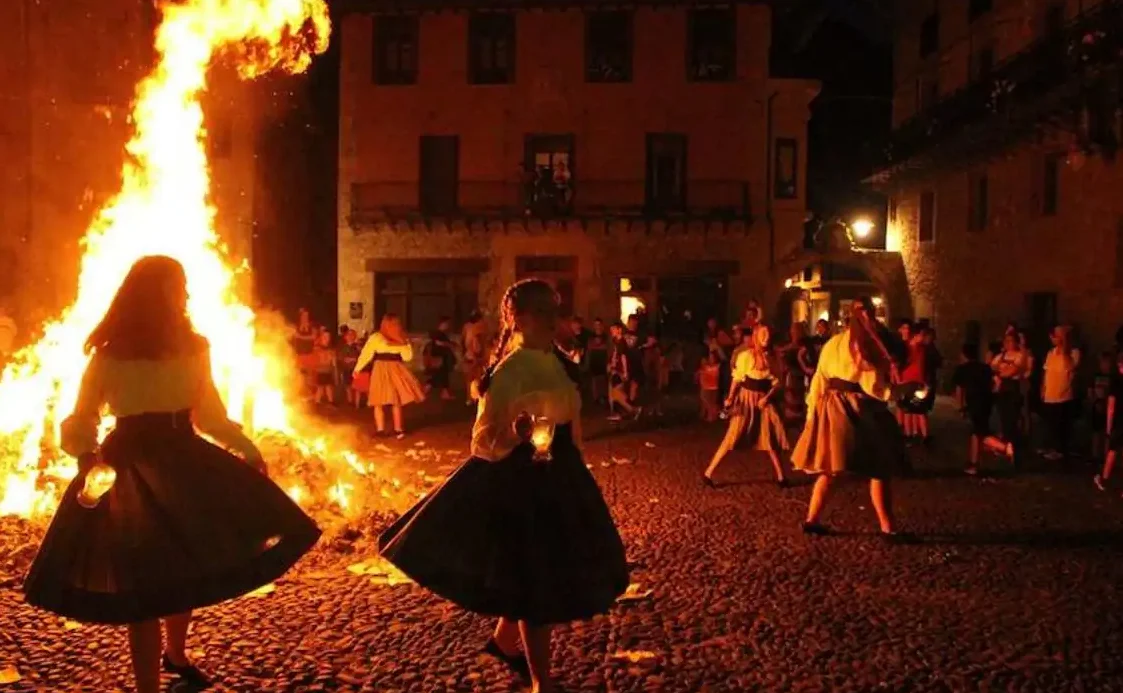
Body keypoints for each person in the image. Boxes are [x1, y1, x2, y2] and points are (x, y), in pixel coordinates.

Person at [22, 257, 320, 693]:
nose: (183, 294)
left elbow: (211, 415)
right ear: (156, 293)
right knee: (146, 579)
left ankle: (175, 655)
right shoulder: (111, 355)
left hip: (181, 460)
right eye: (177, 286)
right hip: (133, 470)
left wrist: (247, 449)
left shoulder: (193, 347)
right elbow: (82, 417)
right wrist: (87, 459)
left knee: (183, 565)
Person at [378, 278, 629, 693]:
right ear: (520, 319)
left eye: (556, 311)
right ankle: (541, 683)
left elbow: (574, 425)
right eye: (544, 312)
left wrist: (577, 467)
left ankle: (502, 642)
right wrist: (517, 433)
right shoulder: (509, 373)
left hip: (562, 477)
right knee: (535, 580)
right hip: (523, 484)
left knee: (545, 568)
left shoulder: (562, 363)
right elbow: (483, 441)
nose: (554, 321)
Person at [791, 296, 908, 541]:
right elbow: (873, 387)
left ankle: (812, 520)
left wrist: (813, 412)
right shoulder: (862, 346)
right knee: (878, 468)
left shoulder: (834, 343)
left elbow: (819, 380)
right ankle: (888, 529)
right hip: (856, 407)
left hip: (831, 405)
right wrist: (899, 391)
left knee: (832, 469)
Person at [703, 324, 789, 488]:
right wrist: (730, 398)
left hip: (763, 400)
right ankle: (708, 472)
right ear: (756, 337)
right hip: (746, 399)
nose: (766, 338)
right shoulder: (746, 356)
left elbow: (777, 383)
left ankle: (781, 478)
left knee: (770, 437)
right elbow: (737, 379)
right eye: (763, 335)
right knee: (732, 436)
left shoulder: (770, 358)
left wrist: (767, 398)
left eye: (768, 335)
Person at [354, 314, 425, 439]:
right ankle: (392, 429)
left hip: (389, 369)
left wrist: (357, 369)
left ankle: (390, 429)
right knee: (383, 400)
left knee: (390, 400)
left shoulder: (391, 338)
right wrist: (358, 368)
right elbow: (367, 354)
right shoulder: (379, 337)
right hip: (387, 369)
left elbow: (367, 354)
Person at [1040, 325, 1080, 461]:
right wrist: (1043, 388)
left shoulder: (1074, 353)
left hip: (1063, 395)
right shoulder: (1051, 353)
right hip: (1050, 395)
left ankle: (1061, 450)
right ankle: (1052, 447)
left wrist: (1064, 344)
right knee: (1051, 424)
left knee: (1062, 424)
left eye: (1059, 336)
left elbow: (1069, 365)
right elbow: (1047, 372)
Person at [953, 343, 994, 475]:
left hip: (973, 402)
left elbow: (960, 389)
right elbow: (992, 384)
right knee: (979, 431)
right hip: (986, 401)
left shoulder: (962, 369)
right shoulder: (985, 368)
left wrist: (960, 406)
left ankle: (975, 462)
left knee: (977, 432)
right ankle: (975, 460)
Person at [1094, 351, 1123, 492]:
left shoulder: (1116, 383)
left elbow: (1111, 407)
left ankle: (1104, 479)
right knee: (1113, 451)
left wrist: (1108, 427)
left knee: (1112, 450)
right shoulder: (1116, 383)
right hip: (1119, 422)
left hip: (1119, 422)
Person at [1089, 351, 1115, 462]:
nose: (1105, 365)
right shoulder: (1095, 376)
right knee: (1096, 432)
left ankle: (1105, 455)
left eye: (1107, 363)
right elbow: (1090, 392)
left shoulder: (1113, 379)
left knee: (1107, 433)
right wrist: (1095, 402)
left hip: (1108, 408)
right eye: (1103, 363)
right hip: (1097, 407)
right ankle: (1095, 455)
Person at [424, 316, 457, 401]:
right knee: (439, 376)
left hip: (442, 358)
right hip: (440, 358)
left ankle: (443, 393)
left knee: (441, 376)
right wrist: (450, 345)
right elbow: (439, 343)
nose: (448, 326)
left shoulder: (440, 334)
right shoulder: (438, 334)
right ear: (443, 324)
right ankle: (426, 389)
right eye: (447, 324)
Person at [462, 310, 489, 406]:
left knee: (469, 379)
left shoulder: (466, 327)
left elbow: (463, 341)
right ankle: (477, 398)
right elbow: (478, 343)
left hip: (468, 355)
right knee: (478, 378)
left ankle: (469, 398)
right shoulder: (479, 328)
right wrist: (480, 355)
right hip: (476, 356)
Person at [586, 318, 610, 406]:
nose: (598, 327)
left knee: (603, 380)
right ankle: (596, 399)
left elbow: (608, 349)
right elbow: (589, 350)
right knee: (595, 380)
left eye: (599, 325)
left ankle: (603, 397)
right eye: (596, 325)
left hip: (603, 361)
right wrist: (587, 363)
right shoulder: (591, 337)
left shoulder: (606, 337)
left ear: (602, 326)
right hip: (594, 361)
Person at [338, 327, 361, 407]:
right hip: (346, 368)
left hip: (355, 369)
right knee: (348, 386)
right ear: (345, 337)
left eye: (352, 334)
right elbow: (341, 357)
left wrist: (354, 359)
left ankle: (356, 402)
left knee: (356, 386)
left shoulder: (357, 347)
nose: (351, 336)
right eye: (349, 334)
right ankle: (350, 401)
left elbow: (361, 356)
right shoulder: (343, 347)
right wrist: (347, 359)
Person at [697, 352, 721, 422]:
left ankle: (711, 417)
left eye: (712, 357)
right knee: (708, 402)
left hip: (712, 387)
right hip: (706, 386)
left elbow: (711, 372)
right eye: (710, 357)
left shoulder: (716, 366)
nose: (710, 358)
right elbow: (699, 374)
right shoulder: (706, 366)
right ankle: (711, 416)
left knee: (709, 402)